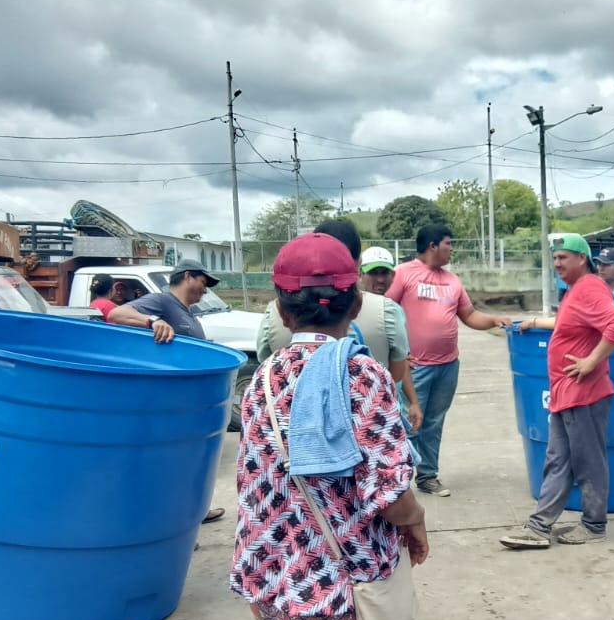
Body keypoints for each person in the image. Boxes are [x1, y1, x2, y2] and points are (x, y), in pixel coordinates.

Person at [231, 231, 429, 620]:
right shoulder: (360, 376)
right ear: (354, 302)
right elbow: (389, 492)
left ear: (280, 307)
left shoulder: (261, 381)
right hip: (337, 594)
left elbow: (253, 482)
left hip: (269, 585)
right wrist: (417, 524)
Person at [500, 234, 614, 548]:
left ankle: (594, 525)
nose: (557, 263)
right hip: (567, 394)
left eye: (563, 257)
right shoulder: (575, 291)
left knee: (588, 462)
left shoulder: (588, 288)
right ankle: (539, 528)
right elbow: (565, 323)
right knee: (557, 460)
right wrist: (533, 321)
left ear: (582, 259)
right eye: (555, 258)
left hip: (585, 394)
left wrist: (591, 361)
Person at [386, 224, 514, 497]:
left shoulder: (452, 281)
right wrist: (395, 353)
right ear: (432, 245)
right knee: (410, 423)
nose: (452, 249)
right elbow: (385, 311)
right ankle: (398, 482)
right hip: (414, 367)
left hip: (447, 365)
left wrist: (494, 320)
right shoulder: (403, 273)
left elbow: (469, 315)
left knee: (434, 422)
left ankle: (428, 476)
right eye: (448, 243)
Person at [258, 224, 423, 433]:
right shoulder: (374, 375)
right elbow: (397, 374)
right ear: (355, 306)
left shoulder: (262, 378)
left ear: (282, 312)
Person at [108, 259, 226, 523]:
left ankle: (194, 510)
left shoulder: (188, 313)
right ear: (187, 276)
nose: (205, 290)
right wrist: (151, 321)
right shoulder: (162, 302)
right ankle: (174, 521)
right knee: (172, 462)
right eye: (203, 282)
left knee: (189, 460)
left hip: (190, 402)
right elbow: (116, 315)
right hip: (169, 402)